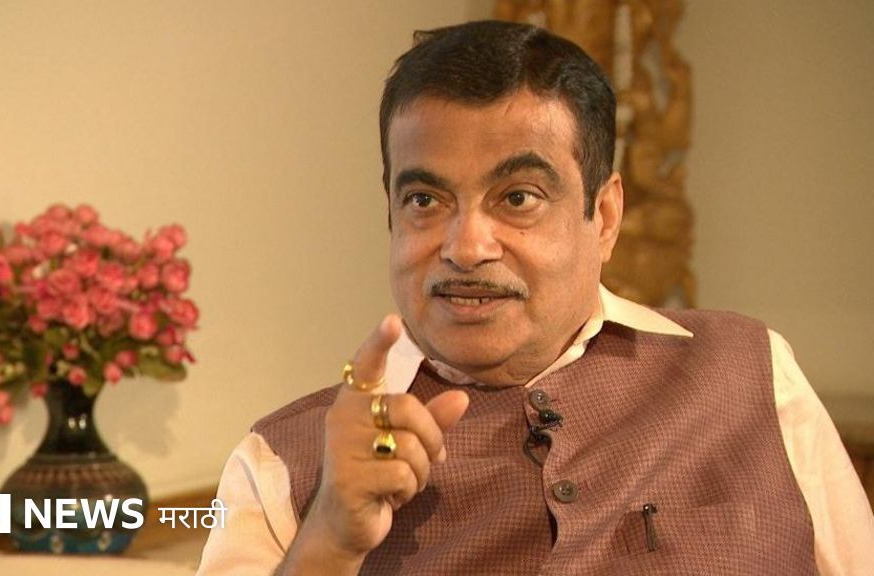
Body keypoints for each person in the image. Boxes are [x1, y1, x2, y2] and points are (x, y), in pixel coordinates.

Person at [197, 20, 873, 575]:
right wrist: (329, 543)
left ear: (604, 217)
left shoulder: (751, 371)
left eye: (517, 198)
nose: (466, 247)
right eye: (426, 200)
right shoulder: (280, 461)